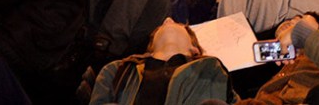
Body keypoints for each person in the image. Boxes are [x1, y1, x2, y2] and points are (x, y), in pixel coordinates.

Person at [89, 18, 236, 104]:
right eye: (161, 26)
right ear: (150, 49)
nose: (168, 19)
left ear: (195, 50)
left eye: (179, 25)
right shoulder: (117, 70)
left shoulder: (211, 69)